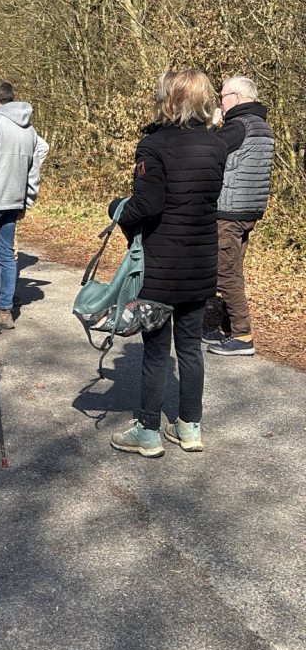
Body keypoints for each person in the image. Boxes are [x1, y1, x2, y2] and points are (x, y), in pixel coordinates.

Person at [110, 69, 228, 457]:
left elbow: (148, 204)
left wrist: (117, 210)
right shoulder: (216, 146)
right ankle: (189, 427)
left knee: (157, 351)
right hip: (201, 262)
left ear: (168, 99)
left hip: (161, 266)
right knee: (190, 348)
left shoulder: (154, 144)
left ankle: (147, 431)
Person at [0, 79, 49, 332]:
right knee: (5, 254)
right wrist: (27, 199)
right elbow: (34, 169)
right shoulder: (28, 129)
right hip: (13, 201)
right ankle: (5, 311)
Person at [204, 75, 274, 357]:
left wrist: (212, 125)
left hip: (230, 212)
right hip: (249, 209)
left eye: (222, 96)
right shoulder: (261, 125)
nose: (220, 102)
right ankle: (228, 328)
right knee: (233, 269)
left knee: (224, 272)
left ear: (237, 97)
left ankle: (242, 335)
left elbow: (207, 151)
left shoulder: (238, 126)